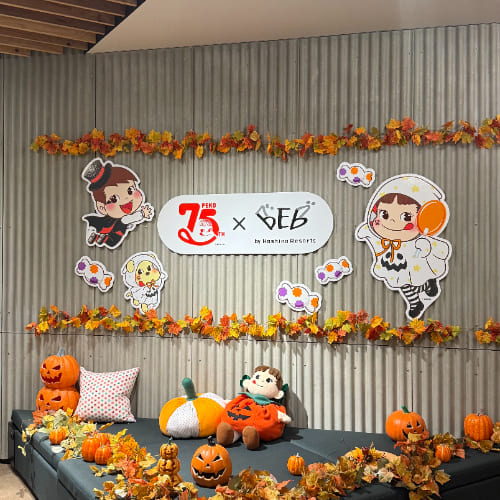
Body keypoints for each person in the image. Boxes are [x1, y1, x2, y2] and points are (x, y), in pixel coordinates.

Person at [355, 174, 452, 319]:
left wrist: (424, 248)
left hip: (413, 264)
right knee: (401, 284)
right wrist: (366, 232)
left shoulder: (419, 240)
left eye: (406, 217)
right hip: (392, 263)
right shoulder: (383, 239)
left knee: (415, 282)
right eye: (384, 214)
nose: (392, 221)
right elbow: (370, 235)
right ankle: (415, 302)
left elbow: (428, 248)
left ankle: (427, 286)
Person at [81, 158, 153, 249]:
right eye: (114, 199)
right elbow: (130, 218)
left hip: (114, 231)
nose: (126, 198)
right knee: (109, 228)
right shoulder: (123, 220)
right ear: (101, 207)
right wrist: (142, 214)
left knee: (110, 237)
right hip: (115, 227)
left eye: (130, 190)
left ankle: (98, 237)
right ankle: (93, 234)